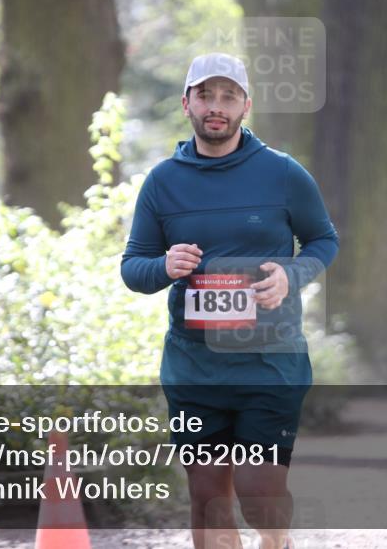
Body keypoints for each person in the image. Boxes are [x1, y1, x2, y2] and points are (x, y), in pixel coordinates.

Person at [121, 53, 339, 549]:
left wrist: (291, 273)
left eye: (228, 96)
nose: (215, 107)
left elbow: (323, 241)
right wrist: (163, 266)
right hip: (194, 369)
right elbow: (133, 267)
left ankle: (275, 539)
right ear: (186, 104)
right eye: (205, 95)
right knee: (207, 500)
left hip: (270, 362)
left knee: (259, 491)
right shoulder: (162, 182)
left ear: (246, 105)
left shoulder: (283, 174)